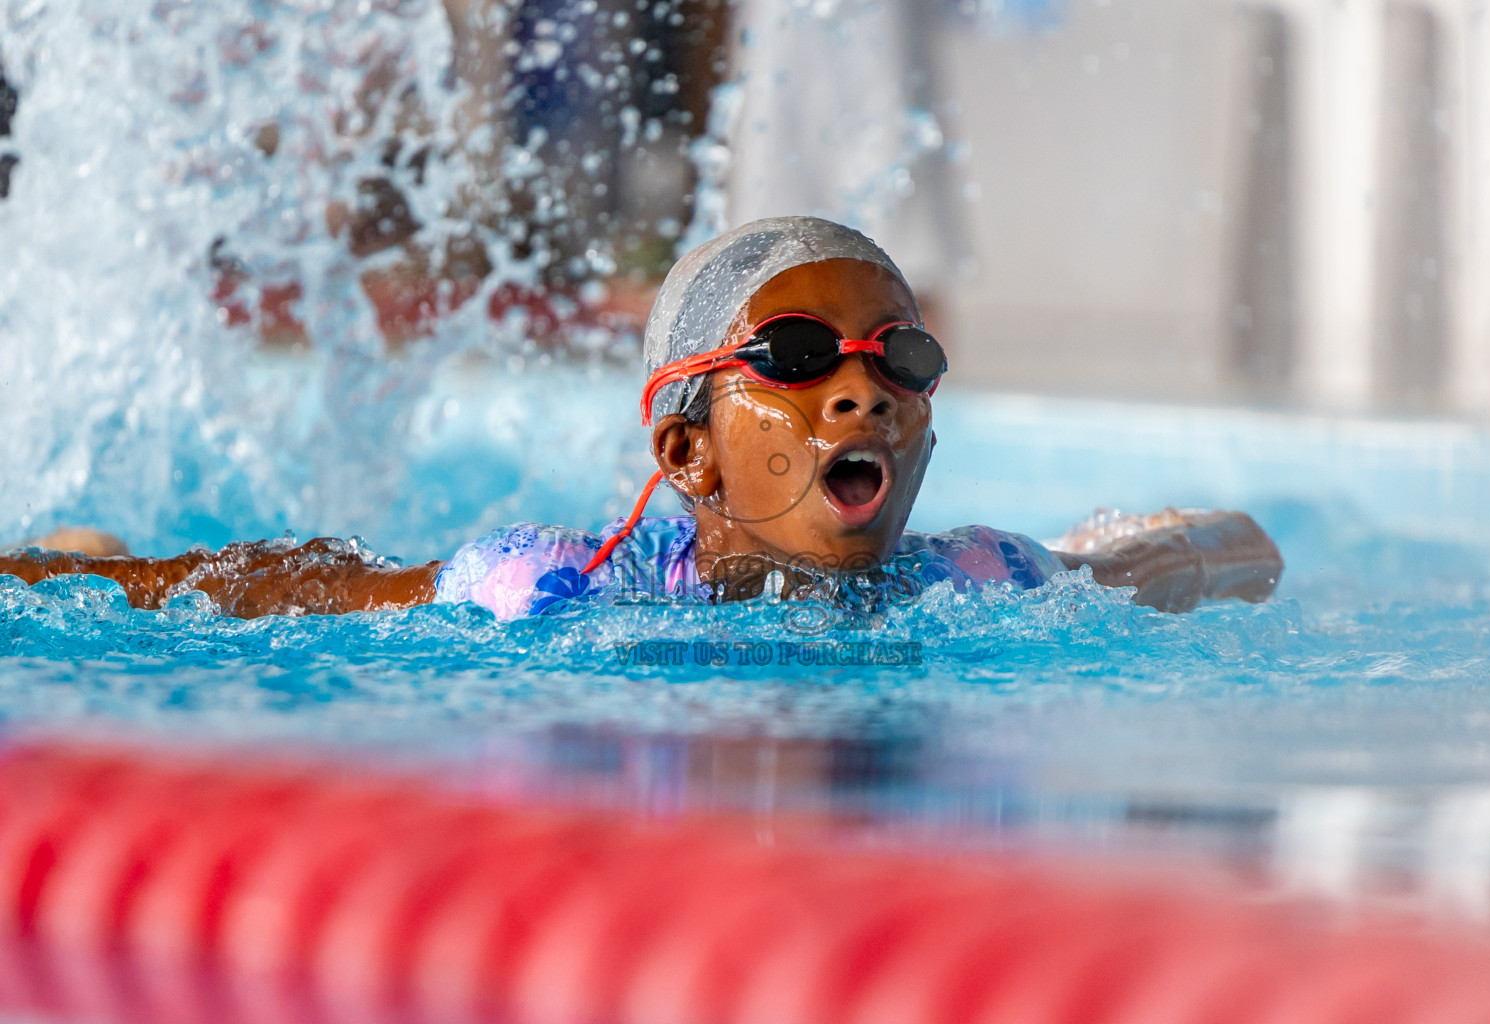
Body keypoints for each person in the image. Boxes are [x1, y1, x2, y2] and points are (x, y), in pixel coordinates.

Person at [0, 217, 1282, 618]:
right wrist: (73, 583)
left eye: (901, 360)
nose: (861, 391)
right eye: (792, 358)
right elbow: (297, 588)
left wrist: (1187, 542)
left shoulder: (988, 576)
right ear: (687, 452)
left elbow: (1225, 546)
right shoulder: (557, 589)